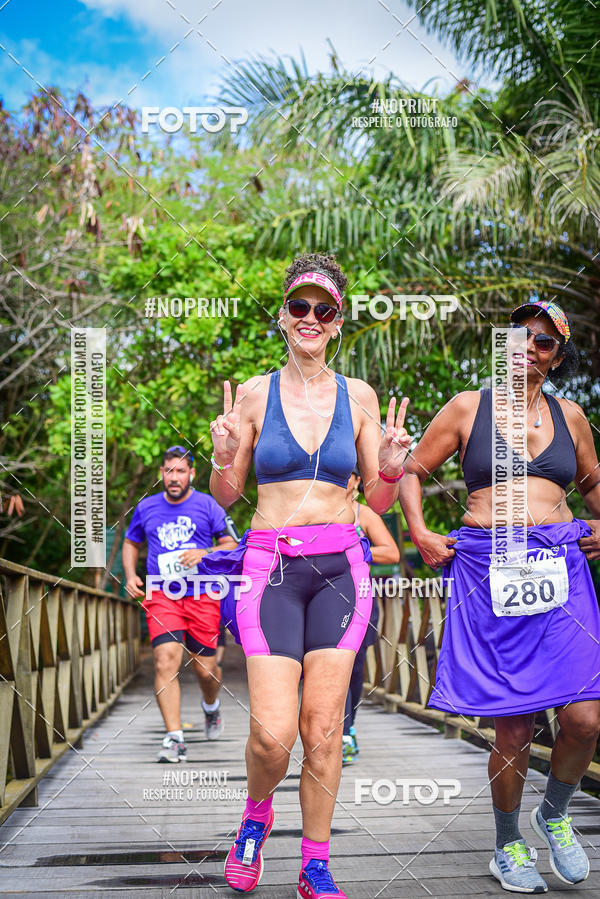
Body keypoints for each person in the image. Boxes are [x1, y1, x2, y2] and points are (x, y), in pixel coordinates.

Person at [207, 253, 411, 898]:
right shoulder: (253, 393)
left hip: (339, 569)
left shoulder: (361, 396)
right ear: (283, 315)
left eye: (324, 310)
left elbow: (374, 504)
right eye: (300, 306)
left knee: (323, 729)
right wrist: (220, 457)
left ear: (339, 321)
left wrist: (393, 468)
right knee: (272, 735)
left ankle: (315, 861)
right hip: (269, 566)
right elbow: (224, 493)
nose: (311, 318)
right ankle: (255, 818)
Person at [398, 299, 600, 893]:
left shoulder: (572, 415)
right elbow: (410, 469)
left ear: (557, 356)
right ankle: (508, 842)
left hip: (561, 567)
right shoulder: (468, 408)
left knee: (586, 719)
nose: (530, 350)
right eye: (521, 338)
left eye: (544, 343)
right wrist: (420, 532)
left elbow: (593, 483)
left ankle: (555, 814)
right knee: (513, 728)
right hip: (492, 569)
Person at [123, 445, 238, 762]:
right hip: (162, 593)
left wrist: (206, 553)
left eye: (180, 471)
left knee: (206, 670)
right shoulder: (146, 507)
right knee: (165, 661)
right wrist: (132, 575)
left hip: (202, 593)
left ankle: (211, 707)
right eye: (168, 471)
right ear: (161, 474)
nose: (174, 477)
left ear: (191, 474)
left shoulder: (208, 505)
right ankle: (174, 739)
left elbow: (232, 543)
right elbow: (131, 542)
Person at [342, 466, 400, 764]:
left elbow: (391, 552)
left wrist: (357, 548)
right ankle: (326, 731)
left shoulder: (363, 514)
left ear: (357, 481)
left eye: (347, 475)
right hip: (318, 597)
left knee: (353, 669)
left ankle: (347, 731)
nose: (341, 480)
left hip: (359, 599)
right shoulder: (316, 509)